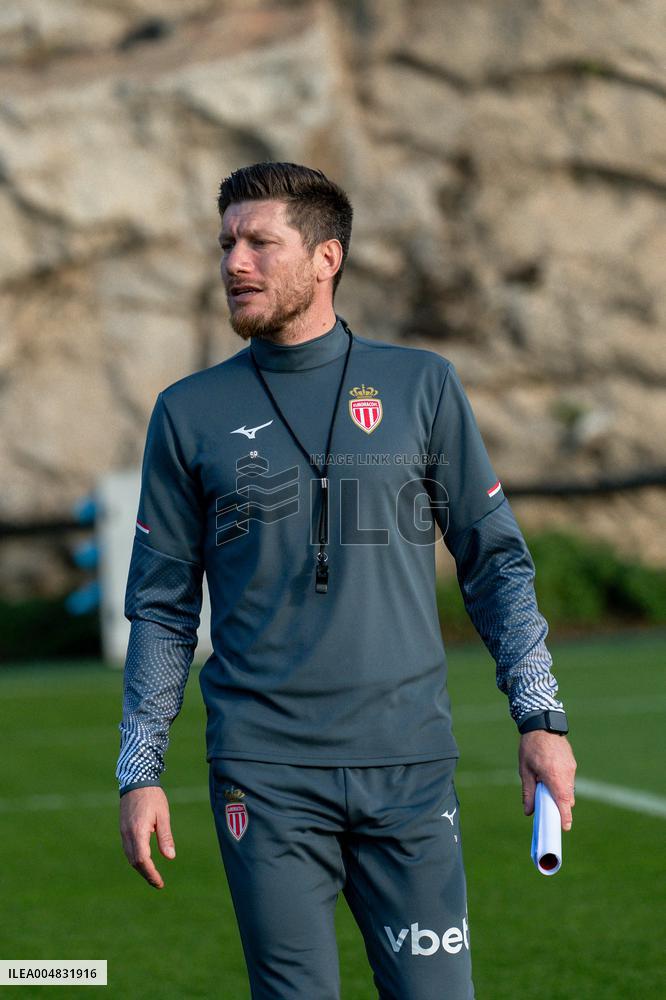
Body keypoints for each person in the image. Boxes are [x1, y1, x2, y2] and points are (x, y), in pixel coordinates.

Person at [117, 161, 576, 999]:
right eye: (226, 242)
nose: (233, 262)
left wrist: (541, 716)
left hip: (410, 767)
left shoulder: (423, 384)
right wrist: (139, 768)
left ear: (326, 258)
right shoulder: (187, 412)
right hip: (263, 776)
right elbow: (160, 607)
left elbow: (495, 563)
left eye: (260, 241)